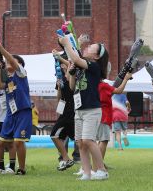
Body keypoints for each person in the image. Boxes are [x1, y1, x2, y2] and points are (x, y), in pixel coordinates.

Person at [59, 35, 109, 181]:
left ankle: (102, 170)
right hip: (79, 110)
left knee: (88, 140)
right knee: (80, 143)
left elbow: (75, 58)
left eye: (90, 48)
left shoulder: (94, 66)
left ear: (96, 56)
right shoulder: (83, 67)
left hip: (91, 110)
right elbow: (72, 86)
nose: (87, 48)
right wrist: (72, 73)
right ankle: (87, 173)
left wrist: (67, 43)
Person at [0, 40, 31, 176]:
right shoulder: (8, 78)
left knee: (18, 142)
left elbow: (12, 61)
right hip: (10, 114)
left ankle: (22, 169)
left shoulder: (21, 73)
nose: (9, 63)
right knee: (1, 143)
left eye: (13, 61)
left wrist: (1, 49)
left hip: (23, 112)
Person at [50, 54, 76, 171]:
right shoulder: (59, 78)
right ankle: (66, 159)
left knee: (54, 134)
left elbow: (72, 89)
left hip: (71, 111)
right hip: (64, 111)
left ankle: (66, 159)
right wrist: (59, 86)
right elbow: (59, 98)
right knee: (75, 138)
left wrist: (67, 70)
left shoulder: (72, 74)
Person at [99, 76, 130, 159]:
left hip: (114, 115)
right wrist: (129, 108)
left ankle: (120, 146)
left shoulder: (111, 95)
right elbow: (127, 103)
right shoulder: (123, 95)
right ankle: (125, 136)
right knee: (124, 130)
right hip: (123, 114)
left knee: (117, 132)